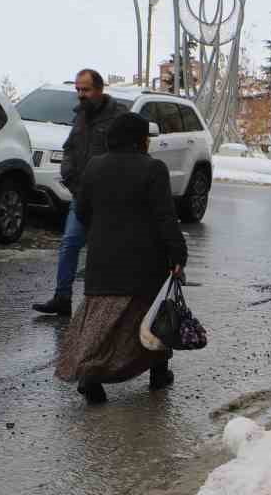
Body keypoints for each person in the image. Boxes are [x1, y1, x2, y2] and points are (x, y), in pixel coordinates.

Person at [54, 113, 188, 405]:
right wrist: (178, 254)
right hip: (144, 263)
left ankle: (90, 374)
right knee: (151, 319)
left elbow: (82, 211)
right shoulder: (153, 169)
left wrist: (101, 233)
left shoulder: (94, 166)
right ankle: (158, 374)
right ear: (140, 139)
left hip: (102, 262)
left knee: (99, 326)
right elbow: (165, 218)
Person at [33, 69, 127, 318]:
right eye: (77, 90)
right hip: (81, 194)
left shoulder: (119, 117)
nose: (80, 95)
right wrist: (69, 176)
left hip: (109, 198)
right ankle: (62, 298)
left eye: (85, 90)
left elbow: (127, 155)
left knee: (103, 250)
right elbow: (70, 148)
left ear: (99, 90)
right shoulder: (81, 116)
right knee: (69, 244)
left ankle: (100, 306)